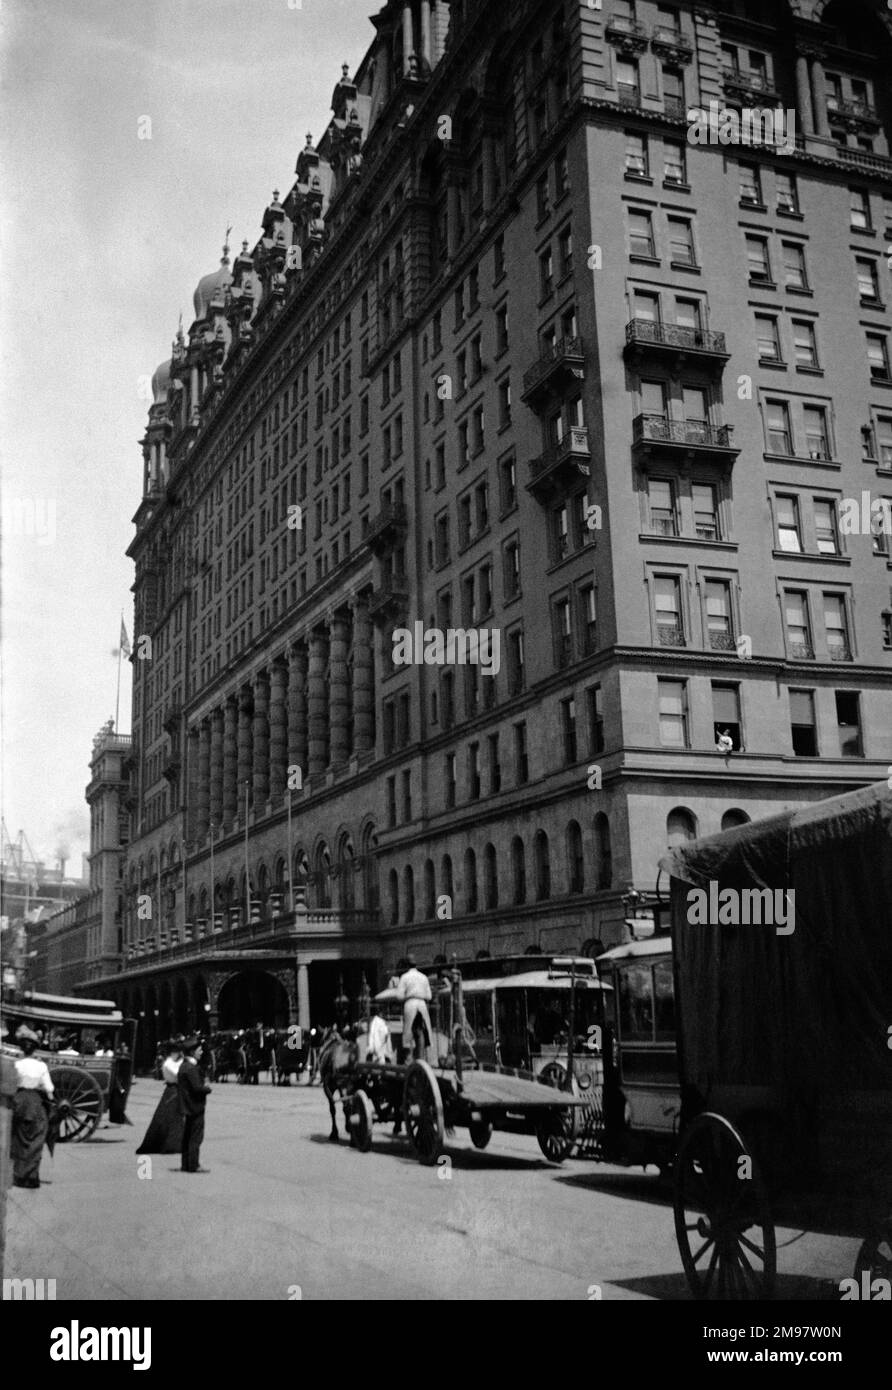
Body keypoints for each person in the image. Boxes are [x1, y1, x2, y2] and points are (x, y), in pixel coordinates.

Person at [11, 1027, 54, 1188]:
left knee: (18, 1138)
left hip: (19, 1100)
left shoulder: (17, 1064)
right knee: (36, 1139)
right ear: (35, 1048)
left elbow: (11, 1085)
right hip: (35, 1102)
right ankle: (31, 1176)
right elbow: (49, 1088)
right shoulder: (41, 1066)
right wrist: (52, 1100)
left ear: (22, 1048)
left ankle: (18, 1174)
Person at [136, 1042, 184, 1154]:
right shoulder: (168, 1063)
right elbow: (178, 1074)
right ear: (172, 1053)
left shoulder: (176, 1062)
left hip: (176, 1090)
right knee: (168, 1118)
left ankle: (176, 1144)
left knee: (176, 1118)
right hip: (172, 1090)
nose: (179, 1054)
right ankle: (168, 1145)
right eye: (177, 1052)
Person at [177, 1036, 212, 1173]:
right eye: (199, 1050)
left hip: (186, 1106)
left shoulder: (183, 1066)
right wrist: (207, 1088)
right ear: (192, 1052)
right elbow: (197, 1088)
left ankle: (185, 1164)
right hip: (195, 1106)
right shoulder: (191, 1068)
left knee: (187, 1136)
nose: (201, 1052)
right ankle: (193, 1165)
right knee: (195, 1137)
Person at [396, 955, 433, 1061]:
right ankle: (421, 1058)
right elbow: (429, 996)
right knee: (420, 1031)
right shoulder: (424, 977)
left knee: (408, 1031)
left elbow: (399, 996)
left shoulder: (404, 977)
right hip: (422, 1004)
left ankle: (408, 1058)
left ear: (407, 965)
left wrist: (408, 995)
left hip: (410, 1003)